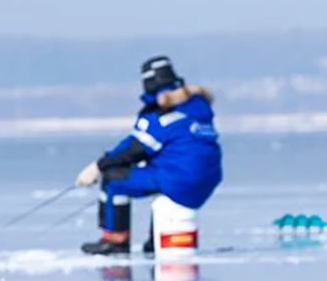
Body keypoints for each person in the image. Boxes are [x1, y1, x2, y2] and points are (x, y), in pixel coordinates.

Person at [75, 56, 222, 255]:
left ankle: (115, 240)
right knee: (162, 189)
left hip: (178, 178)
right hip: (206, 180)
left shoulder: (161, 113)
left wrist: (100, 165)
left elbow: (135, 149)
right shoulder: (197, 106)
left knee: (114, 180)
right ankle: (156, 240)